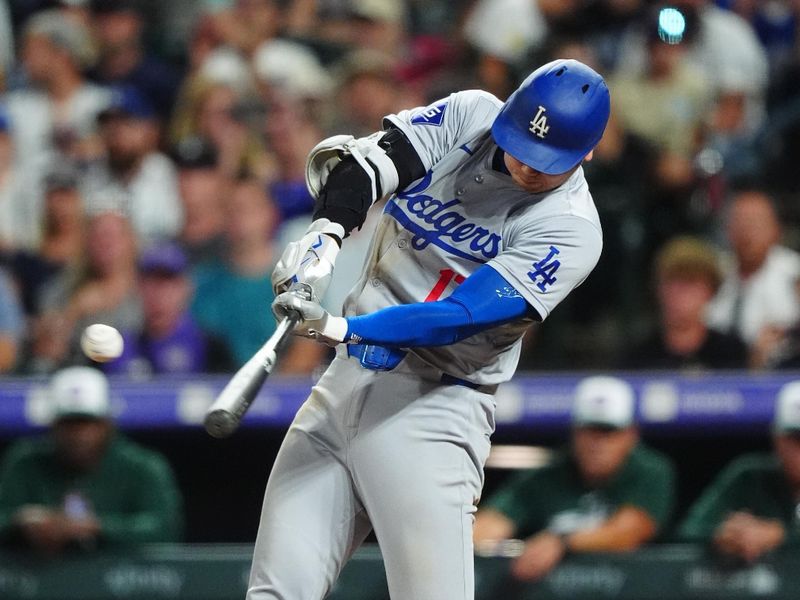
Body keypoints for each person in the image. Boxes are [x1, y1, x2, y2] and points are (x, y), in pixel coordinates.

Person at [248, 58, 612, 599]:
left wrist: (343, 327)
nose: (527, 166)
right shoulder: (471, 116)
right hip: (342, 387)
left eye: (546, 160)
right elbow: (368, 166)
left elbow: (458, 319)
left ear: (586, 152)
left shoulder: (572, 230)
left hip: (433, 409)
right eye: (520, 144)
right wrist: (327, 234)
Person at [473, 375, 676, 582]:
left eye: (608, 432)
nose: (597, 443)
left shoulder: (650, 471)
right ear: (574, 433)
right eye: (589, 430)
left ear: (630, 435)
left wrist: (562, 542)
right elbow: (490, 525)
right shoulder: (547, 476)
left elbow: (630, 532)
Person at [0, 366, 184, 555]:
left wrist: (96, 527)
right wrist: (20, 523)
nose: (78, 435)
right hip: (38, 578)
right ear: (53, 426)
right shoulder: (25, 462)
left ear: (106, 425)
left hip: (126, 581)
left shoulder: (142, 466)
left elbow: (164, 529)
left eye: (87, 423)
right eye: (69, 424)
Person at [678, 380, 800, 561]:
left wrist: (779, 535)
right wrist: (727, 535)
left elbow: (777, 536)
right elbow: (689, 531)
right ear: (777, 438)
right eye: (796, 439)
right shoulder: (750, 476)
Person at [622, 236, 748, 370]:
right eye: (672, 281)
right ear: (657, 288)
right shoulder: (638, 359)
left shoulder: (732, 354)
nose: (680, 292)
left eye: (690, 281)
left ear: (710, 290)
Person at [107, 242, 233, 376]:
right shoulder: (120, 348)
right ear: (138, 287)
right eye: (150, 282)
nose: (158, 292)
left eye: (168, 282)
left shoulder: (211, 348)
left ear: (186, 288)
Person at [705, 190, 800, 367]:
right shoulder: (714, 275)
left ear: (776, 230)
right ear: (727, 230)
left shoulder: (794, 275)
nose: (746, 231)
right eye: (739, 222)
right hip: (721, 377)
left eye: (755, 223)